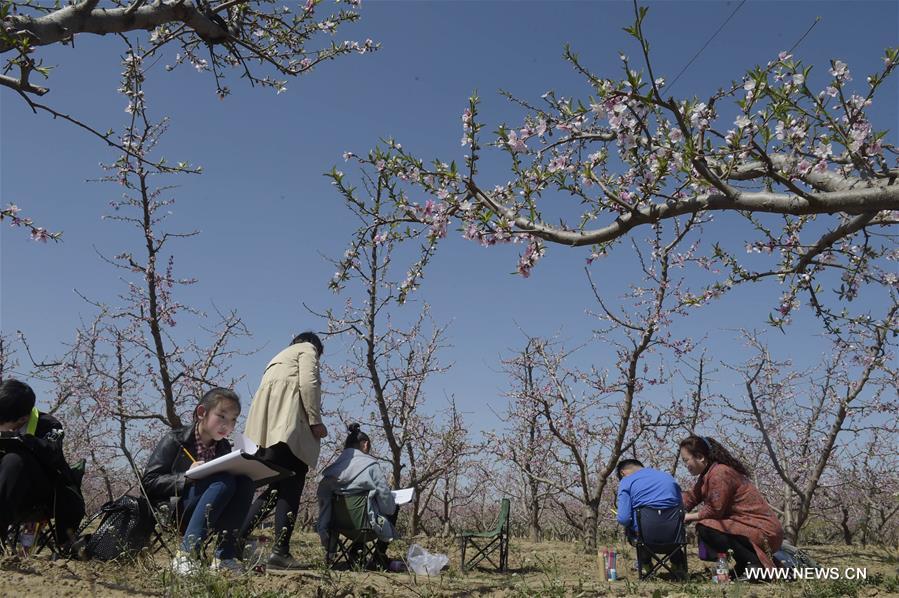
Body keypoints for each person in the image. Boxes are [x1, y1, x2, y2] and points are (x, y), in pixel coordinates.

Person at [240, 331, 328, 569]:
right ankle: (280, 552)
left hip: (267, 433)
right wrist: (315, 421)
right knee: (290, 487)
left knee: (276, 488)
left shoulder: (278, 358)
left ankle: (237, 537)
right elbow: (309, 384)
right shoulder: (307, 350)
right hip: (289, 431)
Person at [142, 387, 253, 574]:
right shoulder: (176, 440)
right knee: (223, 481)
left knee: (245, 482)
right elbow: (149, 482)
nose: (227, 425)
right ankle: (186, 555)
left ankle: (224, 558)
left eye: (233, 419)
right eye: (222, 416)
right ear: (202, 413)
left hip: (213, 507)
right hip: (175, 508)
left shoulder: (224, 447)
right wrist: (186, 477)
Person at [679, 435, 784, 578]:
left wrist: (688, 516)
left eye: (686, 460)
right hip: (747, 527)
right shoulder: (707, 475)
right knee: (711, 526)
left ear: (700, 457)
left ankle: (754, 564)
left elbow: (714, 510)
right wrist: (671, 506)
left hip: (763, 530)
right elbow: (692, 497)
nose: (685, 465)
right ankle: (742, 565)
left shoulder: (720, 473)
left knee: (706, 527)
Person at [0, 379, 85, 552]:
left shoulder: (49, 425)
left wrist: (23, 441)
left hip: (38, 494)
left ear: (23, 419)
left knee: (14, 460)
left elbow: (52, 453)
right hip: (5, 491)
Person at [316, 424, 397, 570]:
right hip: (367, 527)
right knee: (391, 508)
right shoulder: (371, 466)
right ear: (365, 444)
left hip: (337, 526)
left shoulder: (331, 472)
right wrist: (390, 507)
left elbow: (323, 501)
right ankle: (378, 557)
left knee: (365, 509)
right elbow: (386, 502)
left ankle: (355, 553)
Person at [615, 459, 686, 577]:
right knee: (668, 524)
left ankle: (646, 565)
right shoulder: (668, 477)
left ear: (622, 473)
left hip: (646, 538)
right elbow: (681, 509)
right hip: (674, 537)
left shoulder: (626, 481)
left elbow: (623, 518)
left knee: (631, 527)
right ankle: (678, 564)